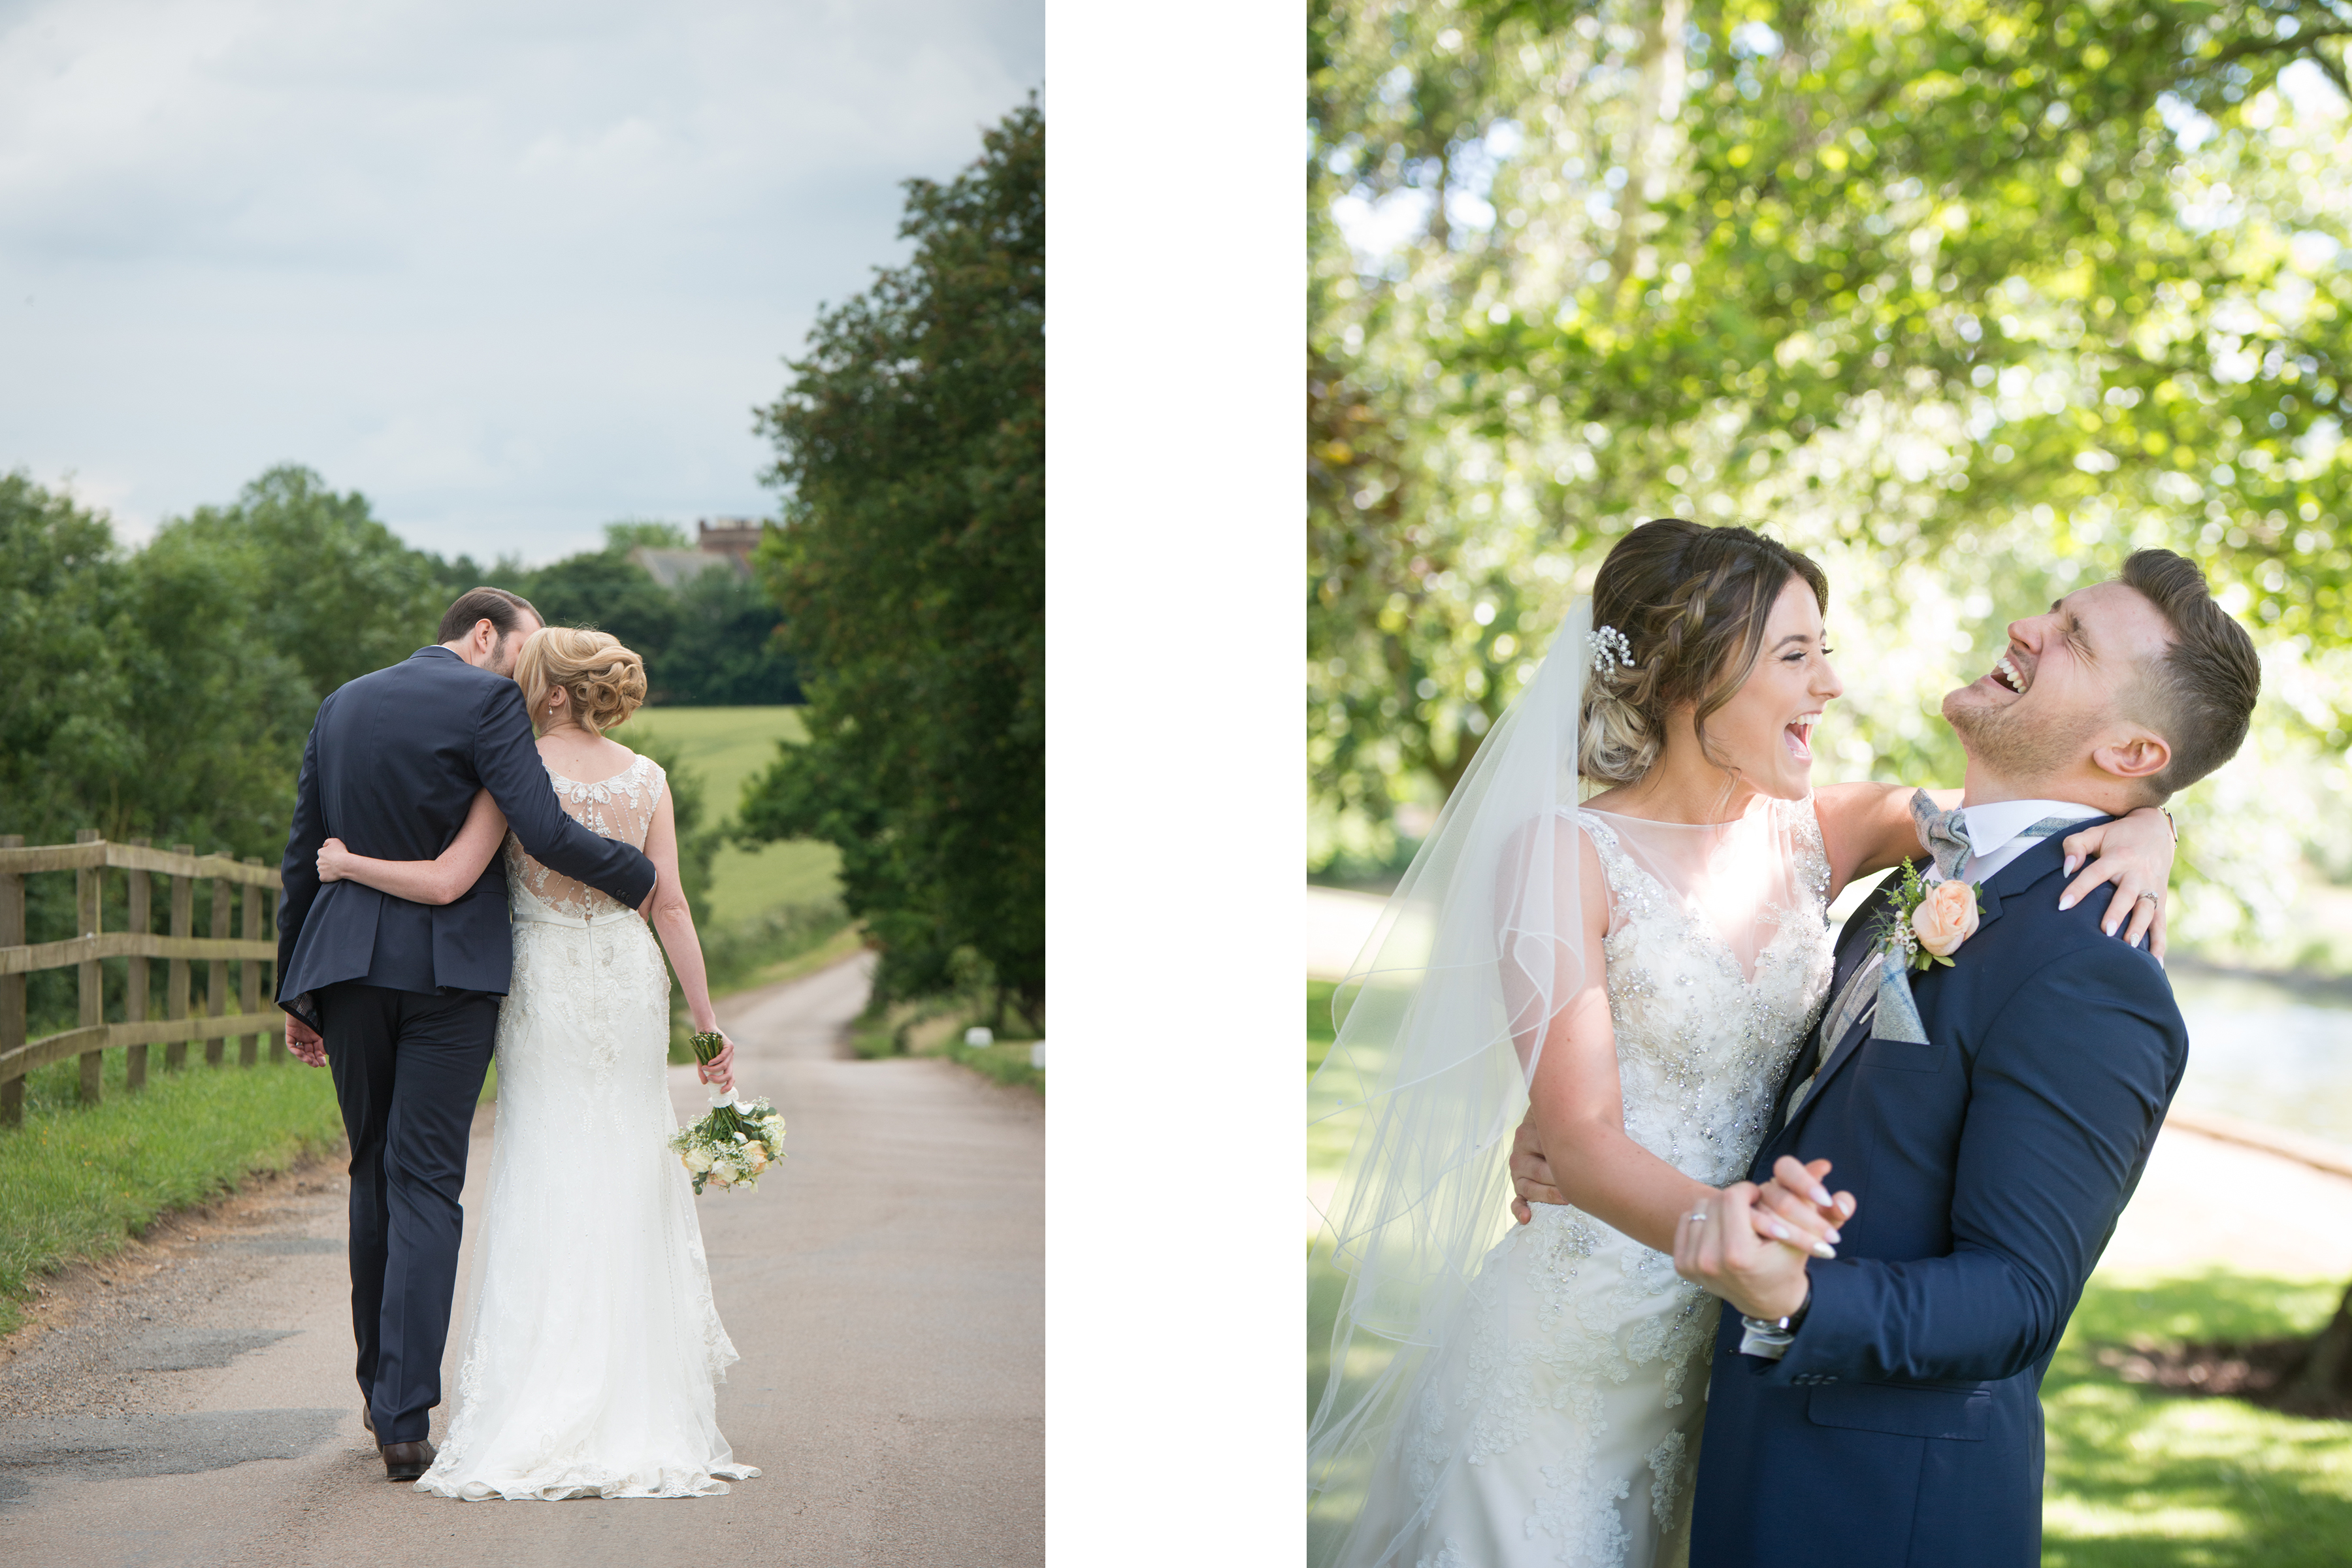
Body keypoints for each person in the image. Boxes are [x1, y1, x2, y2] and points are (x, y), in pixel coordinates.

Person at [1306, 520, 2181, 1568]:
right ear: (1692, 677)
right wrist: (1732, 1229)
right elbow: (1579, 1140)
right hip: (1579, 1340)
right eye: (1796, 656)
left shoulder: (1822, 833)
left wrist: (2158, 827)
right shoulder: (1562, 855)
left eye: (1827, 650)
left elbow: (2029, 814)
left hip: (1736, 1365)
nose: (1831, 686)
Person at [310, 625, 759, 1501]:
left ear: (550, 693)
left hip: (547, 984)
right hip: (629, 986)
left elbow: (445, 882)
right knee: (631, 1162)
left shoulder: (512, 774)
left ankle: (538, 1395)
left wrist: (345, 861)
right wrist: (708, 1027)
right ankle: (638, 1397)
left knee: (549, 1163)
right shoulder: (648, 780)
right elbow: (670, 907)